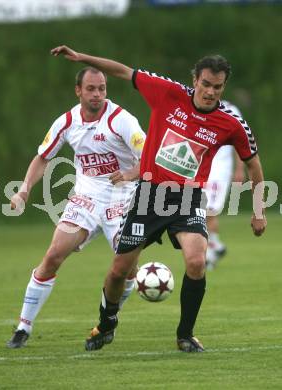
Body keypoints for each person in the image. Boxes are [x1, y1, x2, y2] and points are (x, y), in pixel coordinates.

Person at [51, 46, 267, 353]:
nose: (209, 91)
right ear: (196, 79)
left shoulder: (230, 123)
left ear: (223, 87)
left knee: (196, 260)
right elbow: (123, 70)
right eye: (205, 84)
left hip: (188, 199)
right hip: (150, 196)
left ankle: (185, 335)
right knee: (119, 270)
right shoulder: (168, 93)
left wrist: (258, 211)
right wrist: (82, 58)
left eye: (217, 87)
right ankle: (107, 322)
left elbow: (254, 164)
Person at [7, 66, 146, 348]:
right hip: (86, 197)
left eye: (102, 88)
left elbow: (148, 157)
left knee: (127, 270)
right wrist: (24, 189)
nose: (98, 94)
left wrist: (131, 174)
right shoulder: (67, 122)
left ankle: (108, 322)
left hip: (123, 197)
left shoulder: (122, 120)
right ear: (78, 91)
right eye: (91, 89)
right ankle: (23, 327)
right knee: (53, 255)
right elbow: (43, 157)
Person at [205, 101, 246, 269]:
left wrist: (239, 168)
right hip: (199, 168)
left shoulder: (231, 109)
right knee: (199, 211)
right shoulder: (194, 104)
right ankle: (216, 246)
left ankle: (209, 255)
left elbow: (242, 141)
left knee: (209, 211)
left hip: (219, 170)